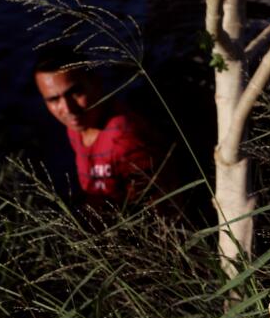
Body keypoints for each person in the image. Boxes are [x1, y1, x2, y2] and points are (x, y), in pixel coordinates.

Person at [32, 45, 170, 210]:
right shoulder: (78, 126)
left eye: (75, 92)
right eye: (53, 100)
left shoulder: (124, 141)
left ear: (95, 81)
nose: (67, 109)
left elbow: (159, 211)